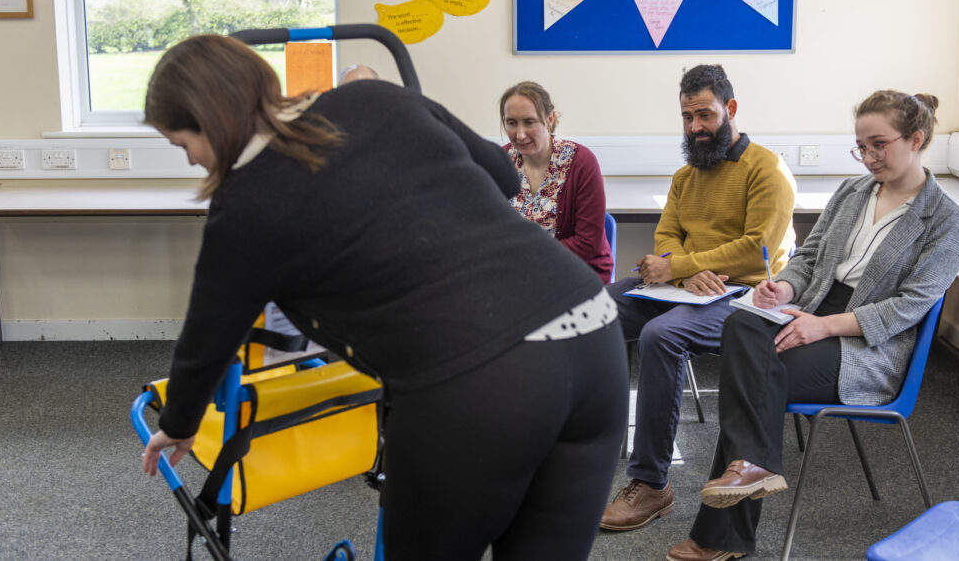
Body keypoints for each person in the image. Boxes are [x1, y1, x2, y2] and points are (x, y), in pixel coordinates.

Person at [138, 35, 628, 561]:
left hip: (482, 376)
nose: (190, 160)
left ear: (208, 118)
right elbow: (502, 172)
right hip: (593, 333)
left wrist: (178, 423)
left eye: (181, 142)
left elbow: (208, 334)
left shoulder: (243, 205)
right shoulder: (372, 99)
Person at [667, 90, 959, 561]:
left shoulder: (947, 220)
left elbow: (910, 306)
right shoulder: (853, 192)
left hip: (867, 343)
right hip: (809, 310)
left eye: (878, 145)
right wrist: (784, 289)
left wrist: (825, 327)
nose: (868, 157)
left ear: (916, 139)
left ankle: (722, 534)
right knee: (741, 325)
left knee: (754, 380)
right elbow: (809, 258)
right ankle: (752, 467)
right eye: (860, 146)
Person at [601, 64, 796, 532]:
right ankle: (574, 449)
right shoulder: (686, 175)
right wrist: (684, 271)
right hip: (690, 285)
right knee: (596, 312)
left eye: (704, 116)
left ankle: (650, 484)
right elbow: (667, 232)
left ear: (730, 109)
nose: (695, 128)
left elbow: (757, 248)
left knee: (661, 335)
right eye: (687, 117)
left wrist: (681, 266)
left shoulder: (767, 168)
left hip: (750, 295)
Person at [500, 81, 613, 283]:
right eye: (511, 123)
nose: (520, 134)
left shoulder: (581, 162)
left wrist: (526, 257)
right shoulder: (501, 161)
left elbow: (588, 244)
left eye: (529, 122)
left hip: (576, 273)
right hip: (516, 275)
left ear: (549, 119)